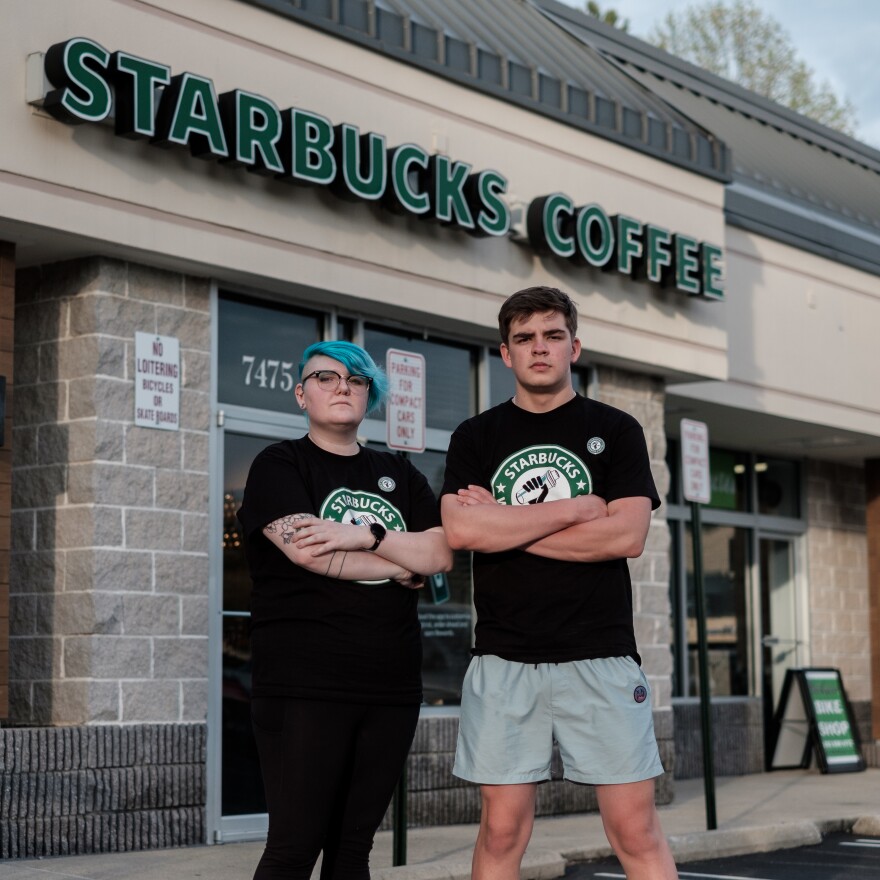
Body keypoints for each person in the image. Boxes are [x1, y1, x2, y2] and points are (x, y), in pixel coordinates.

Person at [440, 287, 678, 880]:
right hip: (504, 657)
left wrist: (504, 524)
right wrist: (574, 510)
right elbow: (462, 530)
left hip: (599, 653)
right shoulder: (476, 436)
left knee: (635, 828)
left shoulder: (615, 429)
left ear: (575, 345)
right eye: (524, 338)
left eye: (551, 335)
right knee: (499, 832)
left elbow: (625, 537)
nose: (538, 348)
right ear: (505, 353)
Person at [237, 340, 452, 880]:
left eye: (356, 380)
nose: (342, 388)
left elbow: (440, 553)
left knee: (353, 850)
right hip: (304, 682)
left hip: (390, 684)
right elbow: (306, 551)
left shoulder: (400, 474)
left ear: (369, 395)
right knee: (293, 848)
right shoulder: (279, 464)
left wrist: (360, 534)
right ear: (301, 394)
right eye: (327, 378)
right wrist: (398, 560)